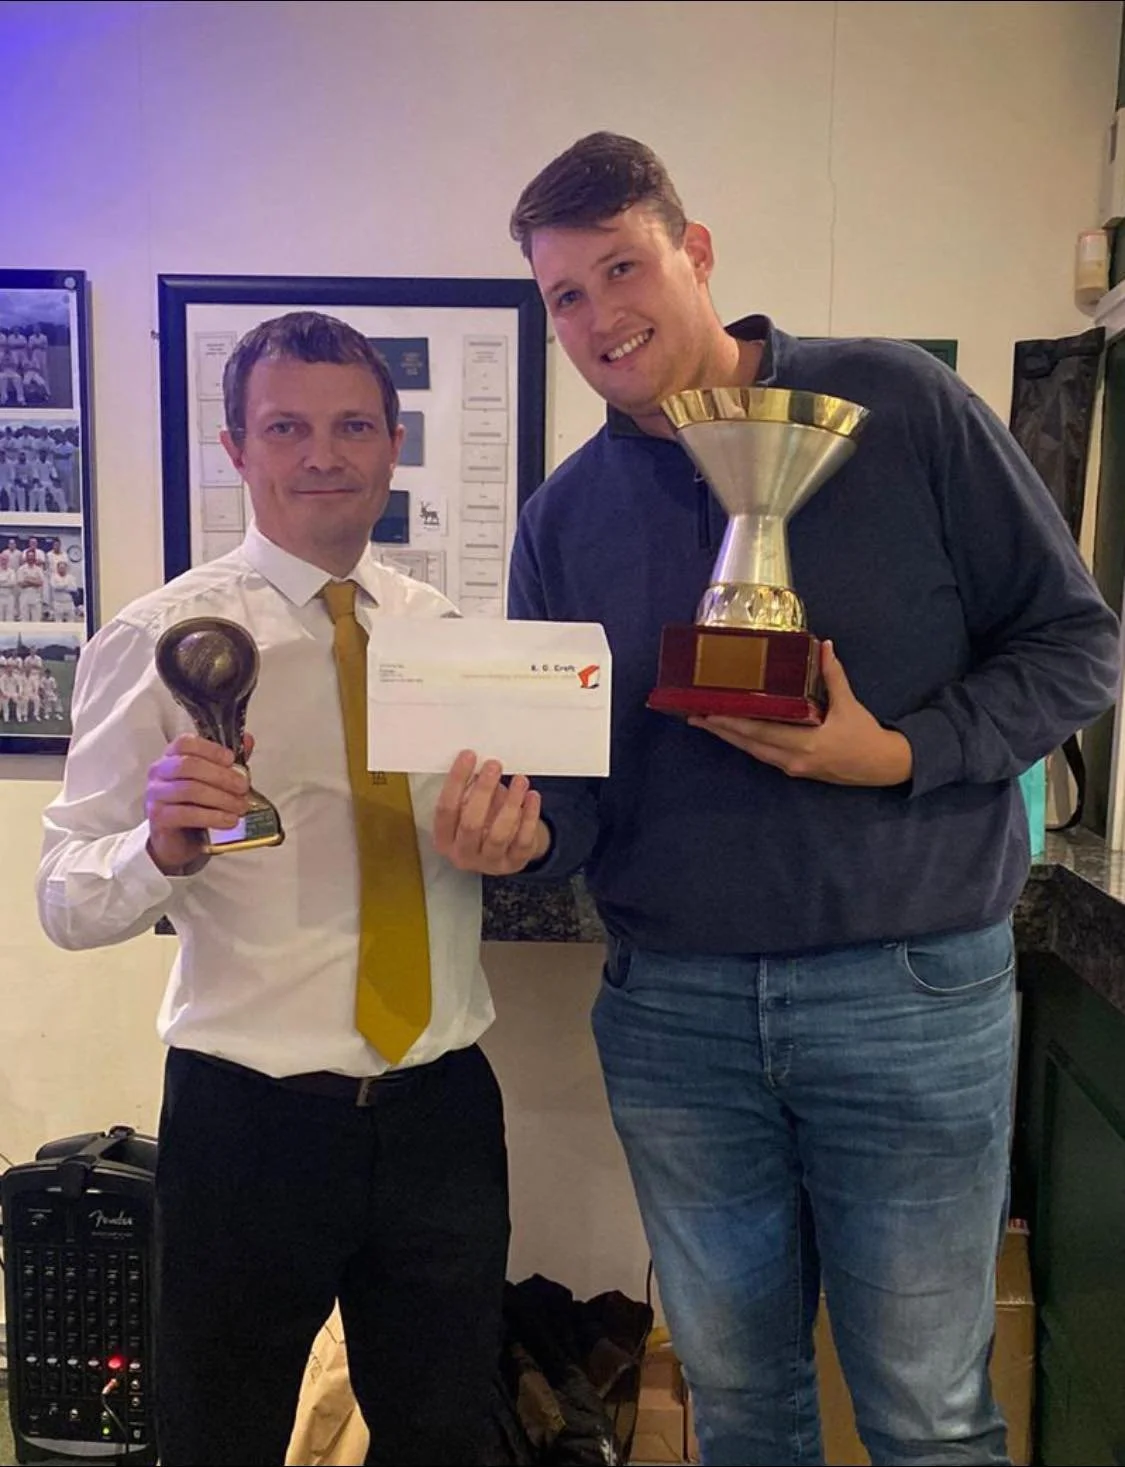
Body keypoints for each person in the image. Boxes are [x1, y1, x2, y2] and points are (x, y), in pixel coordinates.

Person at [432, 133, 1121, 1467]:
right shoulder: (562, 517)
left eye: (620, 267)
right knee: (740, 1410)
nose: (595, 316)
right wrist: (515, 830)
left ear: (695, 255)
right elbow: (574, 784)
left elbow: (1075, 646)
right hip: (676, 1009)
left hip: (911, 990)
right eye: (562, 295)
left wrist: (898, 752)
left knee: (927, 1411)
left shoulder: (900, 405)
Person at [37, 312, 512, 1467]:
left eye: (353, 425)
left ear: (392, 442)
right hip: (251, 1120)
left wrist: (515, 840)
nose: (323, 455)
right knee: (219, 1437)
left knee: (450, 1436)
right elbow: (63, 894)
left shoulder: (452, 638)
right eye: (286, 427)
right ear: (235, 448)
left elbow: (487, 834)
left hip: (440, 1109)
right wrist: (159, 849)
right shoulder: (162, 644)